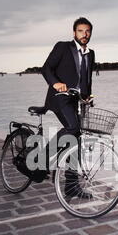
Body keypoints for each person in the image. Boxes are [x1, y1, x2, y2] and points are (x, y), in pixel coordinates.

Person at [41, 17, 95, 197]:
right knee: (73, 127)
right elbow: (46, 68)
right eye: (81, 31)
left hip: (75, 100)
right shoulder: (63, 47)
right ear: (74, 33)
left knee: (76, 140)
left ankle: (71, 186)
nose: (84, 34)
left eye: (87, 31)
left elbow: (86, 80)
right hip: (59, 98)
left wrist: (87, 97)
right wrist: (56, 83)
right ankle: (41, 159)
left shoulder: (91, 53)